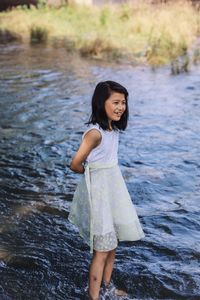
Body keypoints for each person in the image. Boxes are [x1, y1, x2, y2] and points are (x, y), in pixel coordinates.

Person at [68, 81, 145, 300]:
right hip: (101, 195)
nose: (121, 107)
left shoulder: (113, 129)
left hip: (114, 192)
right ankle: (94, 297)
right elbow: (75, 164)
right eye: (116, 102)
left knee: (112, 246)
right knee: (101, 250)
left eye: (124, 102)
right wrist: (92, 174)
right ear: (102, 103)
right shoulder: (95, 133)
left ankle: (107, 287)